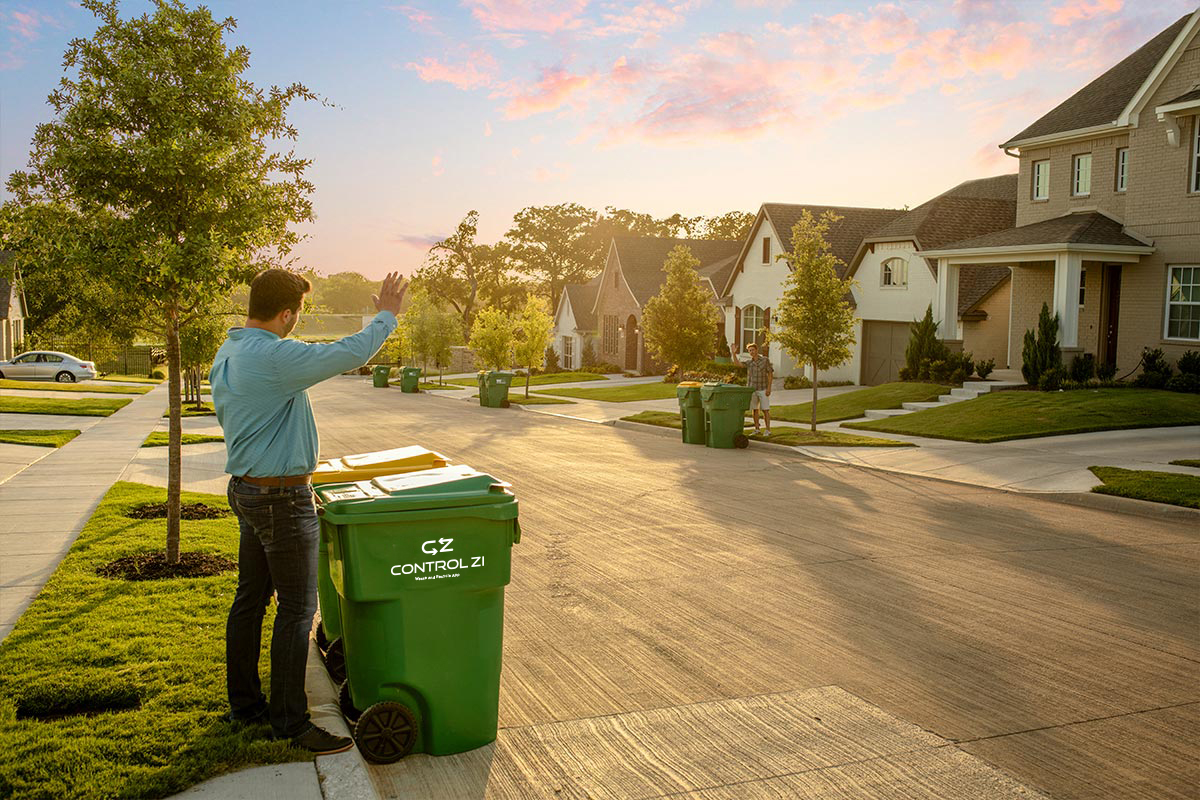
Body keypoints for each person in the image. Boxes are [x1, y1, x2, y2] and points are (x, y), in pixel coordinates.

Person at [211, 268, 407, 754]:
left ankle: (245, 706)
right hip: (279, 498)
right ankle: (290, 723)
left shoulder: (230, 348)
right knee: (297, 611)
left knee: (250, 601)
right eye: (297, 312)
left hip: (247, 488)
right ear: (286, 314)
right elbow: (348, 353)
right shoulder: (275, 356)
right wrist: (386, 315)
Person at [732, 342, 773, 435]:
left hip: (763, 388)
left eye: (753, 350)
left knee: (765, 410)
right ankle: (757, 429)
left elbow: (770, 374)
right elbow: (737, 364)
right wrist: (734, 353)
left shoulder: (765, 360)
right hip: (752, 389)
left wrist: (769, 388)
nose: (751, 352)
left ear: (757, 350)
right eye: (750, 351)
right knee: (755, 410)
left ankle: (768, 430)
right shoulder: (749, 363)